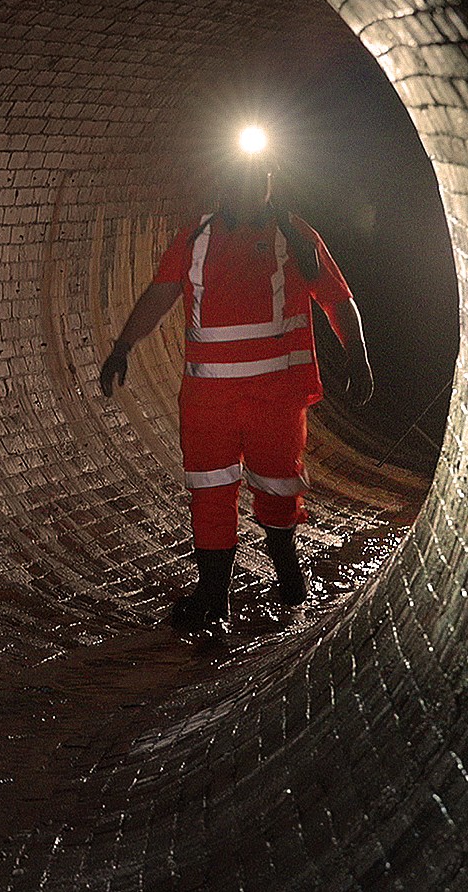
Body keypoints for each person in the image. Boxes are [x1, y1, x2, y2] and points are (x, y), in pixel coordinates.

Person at [100, 144, 373, 630]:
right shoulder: (197, 238)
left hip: (275, 397)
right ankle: (213, 597)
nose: (250, 190)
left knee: (277, 487)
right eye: (240, 180)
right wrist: (124, 345)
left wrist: (358, 354)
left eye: (258, 179)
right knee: (210, 490)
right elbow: (162, 293)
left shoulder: (294, 236)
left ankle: (286, 567)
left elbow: (336, 297)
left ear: (269, 181)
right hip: (211, 400)